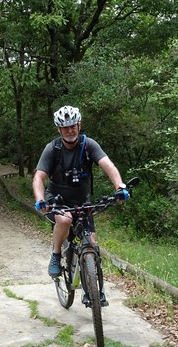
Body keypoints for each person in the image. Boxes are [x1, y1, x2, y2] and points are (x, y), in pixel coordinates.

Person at [32, 105, 130, 279]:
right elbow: (38, 178)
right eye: (65, 127)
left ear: (79, 125)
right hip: (57, 199)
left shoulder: (88, 145)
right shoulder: (53, 148)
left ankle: (93, 288)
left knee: (91, 243)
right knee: (64, 219)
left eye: (73, 126)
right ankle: (56, 255)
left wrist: (120, 187)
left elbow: (109, 166)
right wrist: (41, 200)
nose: (70, 130)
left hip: (82, 201)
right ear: (59, 129)